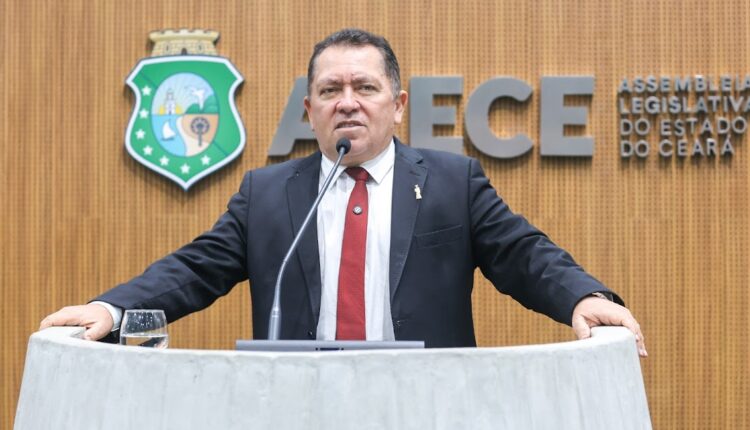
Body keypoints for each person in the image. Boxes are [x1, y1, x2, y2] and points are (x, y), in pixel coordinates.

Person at [40, 28, 646, 355]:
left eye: (365, 88)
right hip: (299, 409)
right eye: (330, 91)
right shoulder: (267, 194)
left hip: (426, 408)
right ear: (309, 111)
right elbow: (195, 268)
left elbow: (523, 254)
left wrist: (582, 297)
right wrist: (110, 310)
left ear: (398, 105)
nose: (347, 102)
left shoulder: (452, 184)